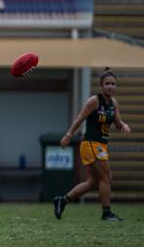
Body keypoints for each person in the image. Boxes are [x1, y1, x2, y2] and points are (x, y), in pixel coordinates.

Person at [53, 67, 131, 221]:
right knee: (106, 177)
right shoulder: (94, 101)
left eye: (113, 84)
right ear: (101, 86)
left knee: (92, 183)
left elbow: (117, 121)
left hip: (101, 145)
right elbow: (79, 119)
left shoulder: (114, 103)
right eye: (107, 84)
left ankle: (62, 200)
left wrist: (123, 125)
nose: (110, 86)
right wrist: (69, 135)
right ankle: (106, 213)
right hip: (90, 144)